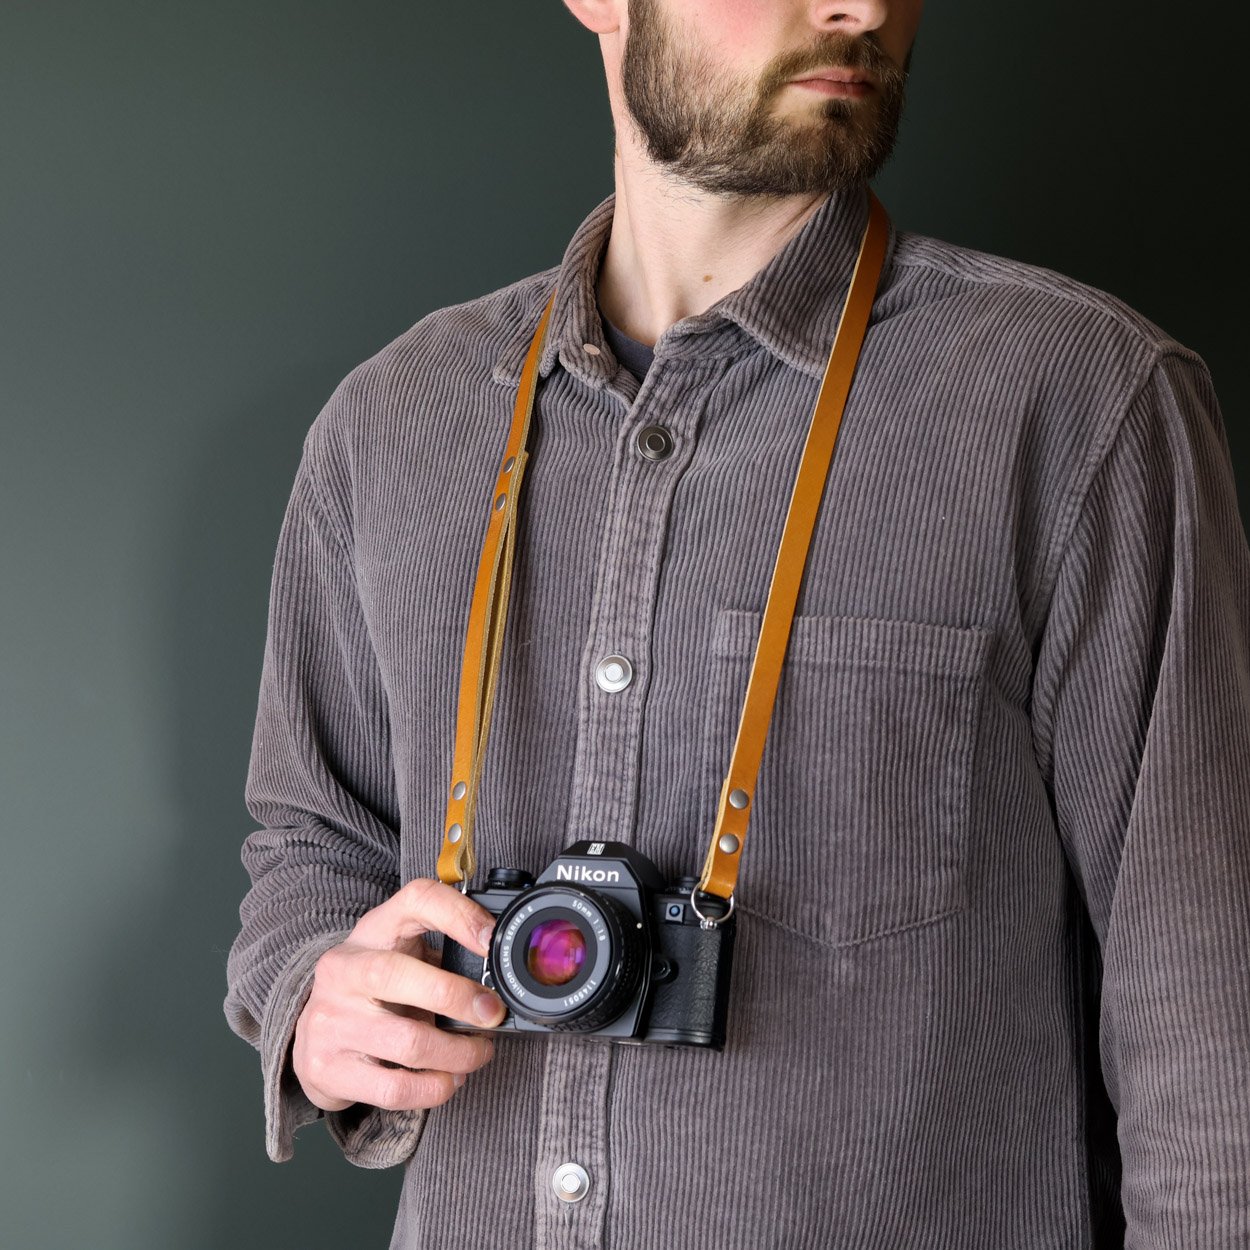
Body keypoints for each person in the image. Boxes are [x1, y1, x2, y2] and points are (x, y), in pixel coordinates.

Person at [224, 0, 1250, 1246]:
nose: (861, 9)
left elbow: (1208, 1020)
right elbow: (311, 839)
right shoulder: (390, 426)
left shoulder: (1076, 405)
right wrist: (311, 995)